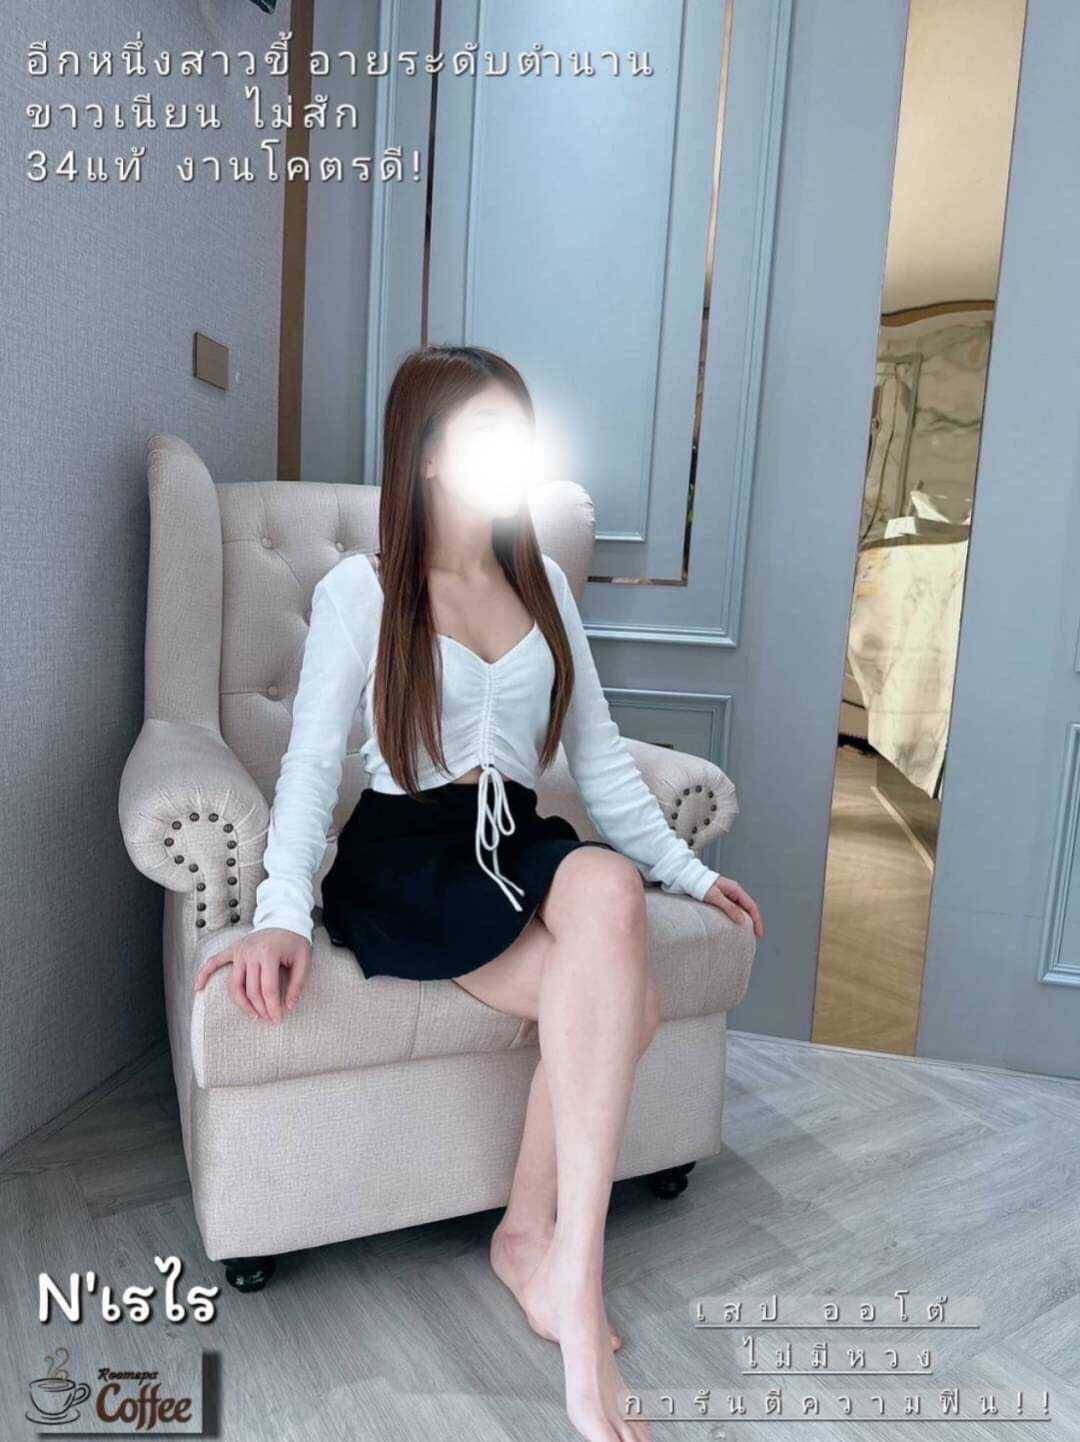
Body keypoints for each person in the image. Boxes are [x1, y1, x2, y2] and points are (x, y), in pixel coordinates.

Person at [193, 344, 764, 1442]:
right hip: (410, 853)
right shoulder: (365, 590)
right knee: (629, 1003)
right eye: (483, 435)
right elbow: (310, 767)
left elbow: (598, 759)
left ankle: (559, 1260)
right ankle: (543, 1260)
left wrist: (693, 873)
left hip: (517, 840)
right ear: (427, 453)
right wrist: (279, 913)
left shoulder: (538, 578)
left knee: (607, 882)